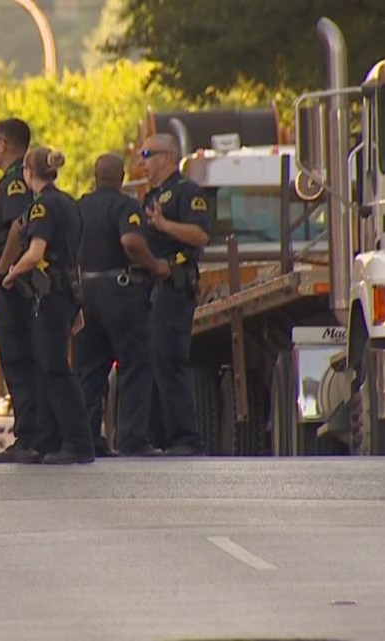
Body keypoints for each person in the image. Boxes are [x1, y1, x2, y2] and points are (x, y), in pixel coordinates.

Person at [1, 147, 94, 464]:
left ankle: (78, 443)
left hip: (51, 294)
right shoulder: (69, 202)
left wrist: (11, 273)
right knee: (49, 367)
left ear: (28, 172)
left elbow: (36, 252)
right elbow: (74, 256)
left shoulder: (42, 206)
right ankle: (50, 441)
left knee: (55, 369)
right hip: (65, 293)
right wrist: (77, 304)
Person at [74, 154, 169, 458]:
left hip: (84, 292)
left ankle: (88, 437)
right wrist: (154, 265)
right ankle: (132, 438)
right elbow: (131, 241)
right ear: (122, 176)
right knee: (135, 364)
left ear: (94, 175)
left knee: (89, 369)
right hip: (120, 292)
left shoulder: (79, 206)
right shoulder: (125, 205)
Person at [139, 133, 212, 456]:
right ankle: (156, 435)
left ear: (167, 157)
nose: (142, 161)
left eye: (147, 154)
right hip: (151, 289)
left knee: (170, 360)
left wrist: (166, 225)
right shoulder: (151, 196)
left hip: (175, 285)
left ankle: (186, 437)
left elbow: (199, 235)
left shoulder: (187, 192)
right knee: (152, 361)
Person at [0, 118, 40, 464]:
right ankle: (32, 432)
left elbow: (19, 226)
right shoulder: (14, 180)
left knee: (18, 360)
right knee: (22, 360)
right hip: (17, 283)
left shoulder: (15, 183)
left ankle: (29, 436)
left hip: (15, 286)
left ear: (3, 143)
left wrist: (2, 269)